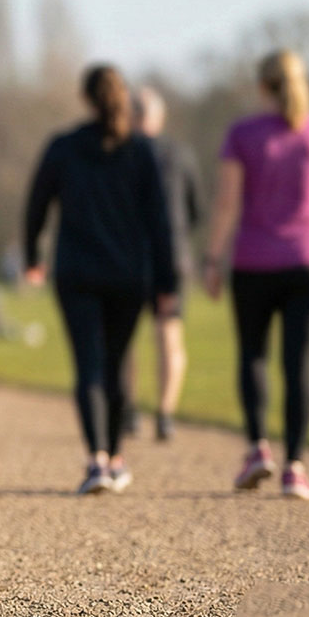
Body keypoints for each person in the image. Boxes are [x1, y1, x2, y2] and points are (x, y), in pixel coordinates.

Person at [23, 64, 175, 496]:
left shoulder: (64, 147)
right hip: (128, 274)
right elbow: (161, 221)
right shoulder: (142, 151)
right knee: (117, 364)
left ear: (86, 99)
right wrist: (167, 282)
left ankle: (97, 459)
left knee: (88, 365)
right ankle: (117, 456)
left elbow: (37, 205)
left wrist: (33, 255)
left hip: (76, 272)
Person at [203, 50, 309, 501]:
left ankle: (257, 448)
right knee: (298, 363)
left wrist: (212, 258)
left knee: (253, 355)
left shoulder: (243, 134)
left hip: (255, 260)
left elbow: (227, 204)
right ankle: (296, 468)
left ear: (262, 85)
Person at [120, 87, 202, 441]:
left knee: (124, 340)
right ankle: (165, 414)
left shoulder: (120, 154)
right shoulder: (180, 154)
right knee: (169, 337)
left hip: (128, 257)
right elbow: (195, 210)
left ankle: (130, 410)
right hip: (173, 256)